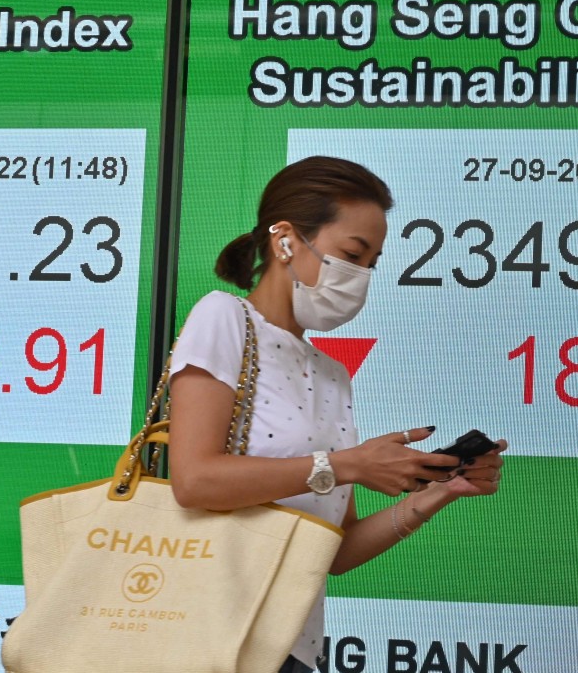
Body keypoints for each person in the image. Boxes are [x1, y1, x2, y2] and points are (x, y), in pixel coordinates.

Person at [167, 156, 507, 673]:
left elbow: (336, 551)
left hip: (293, 647)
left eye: (371, 264)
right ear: (284, 240)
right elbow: (193, 480)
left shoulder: (333, 375)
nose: (360, 276)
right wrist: (348, 464)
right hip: (206, 637)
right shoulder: (224, 317)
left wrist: (441, 491)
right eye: (352, 254)